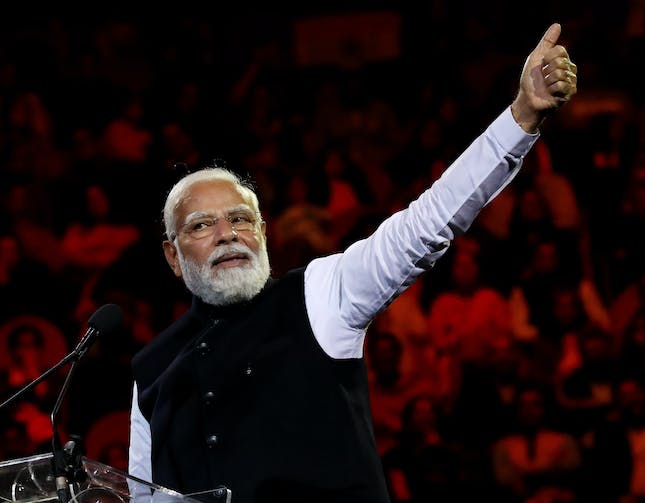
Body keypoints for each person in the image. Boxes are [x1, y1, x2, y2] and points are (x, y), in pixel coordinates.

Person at [128, 23, 577, 503]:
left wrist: (521, 117)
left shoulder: (321, 294)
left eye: (241, 218)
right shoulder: (150, 370)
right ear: (172, 255)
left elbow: (424, 224)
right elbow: (144, 497)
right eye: (201, 225)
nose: (226, 234)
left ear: (262, 233)